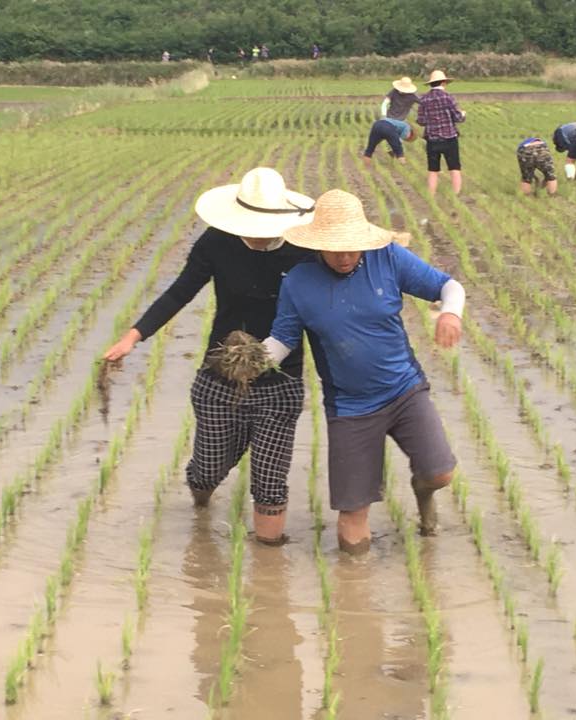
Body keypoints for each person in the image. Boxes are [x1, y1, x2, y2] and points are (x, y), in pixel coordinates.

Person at [103, 168, 315, 545]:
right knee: (209, 468)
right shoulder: (216, 243)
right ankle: (201, 499)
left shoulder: (304, 250)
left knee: (269, 482)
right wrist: (133, 337)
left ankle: (269, 571)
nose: (259, 232)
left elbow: (325, 313)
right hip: (220, 378)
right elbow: (179, 292)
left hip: (282, 382)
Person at [264, 189, 466, 554]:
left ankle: (422, 490)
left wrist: (450, 313)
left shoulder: (387, 258)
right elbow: (283, 339)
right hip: (351, 408)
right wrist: (249, 363)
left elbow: (448, 286)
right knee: (352, 529)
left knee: (440, 473)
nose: (344, 255)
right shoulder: (297, 282)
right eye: (335, 247)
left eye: (352, 246)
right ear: (318, 244)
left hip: (404, 390)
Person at [417, 70, 466, 196]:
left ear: (431, 84)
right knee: (454, 168)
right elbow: (458, 118)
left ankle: (431, 196)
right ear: (444, 82)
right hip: (449, 138)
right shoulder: (448, 97)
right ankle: (456, 195)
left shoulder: (424, 99)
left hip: (432, 140)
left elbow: (421, 121)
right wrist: (463, 114)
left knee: (433, 170)